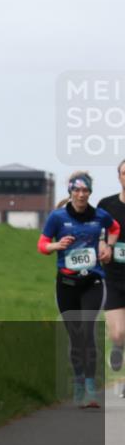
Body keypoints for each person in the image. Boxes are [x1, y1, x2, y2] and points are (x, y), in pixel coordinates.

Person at [37, 171, 120, 408]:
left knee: (88, 330)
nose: (81, 194)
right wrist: (56, 245)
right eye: (77, 190)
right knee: (75, 337)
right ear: (71, 192)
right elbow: (41, 245)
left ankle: (92, 390)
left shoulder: (100, 215)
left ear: (90, 192)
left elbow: (114, 228)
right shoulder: (57, 217)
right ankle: (79, 384)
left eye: (86, 191)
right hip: (66, 284)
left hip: (92, 281)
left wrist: (109, 248)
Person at [97, 160, 125, 391]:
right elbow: (97, 233)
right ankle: (118, 347)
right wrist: (102, 248)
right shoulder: (106, 205)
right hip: (113, 278)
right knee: (118, 333)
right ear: (119, 176)